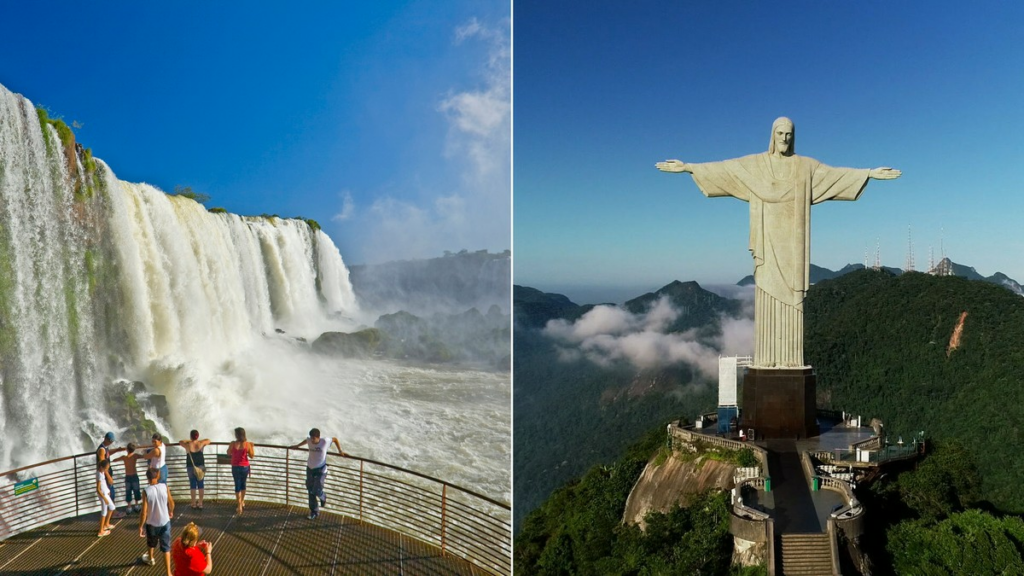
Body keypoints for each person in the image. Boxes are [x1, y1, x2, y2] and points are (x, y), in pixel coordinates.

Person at [656, 117, 901, 367]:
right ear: (773, 135)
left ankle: (791, 361)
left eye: (789, 134)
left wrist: (868, 174)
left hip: (793, 246)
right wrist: (688, 168)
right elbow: (725, 169)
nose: (785, 138)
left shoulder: (805, 167)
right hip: (766, 241)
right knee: (767, 294)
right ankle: (767, 359)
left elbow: (835, 176)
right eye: (780, 133)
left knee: (792, 299)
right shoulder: (756, 165)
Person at [292, 428, 345, 519]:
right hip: (310, 469)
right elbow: (306, 440)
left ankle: (323, 497)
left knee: (316, 490)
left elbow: (335, 439)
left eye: (314, 438)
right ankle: (314, 512)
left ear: (318, 437)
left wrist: (340, 451)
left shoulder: (325, 441)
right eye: (311, 438)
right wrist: (297, 446)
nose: (312, 440)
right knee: (310, 491)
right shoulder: (309, 440)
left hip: (321, 470)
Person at [139, 467, 174, 570]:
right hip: (165, 521)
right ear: (157, 475)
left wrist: (141, 526)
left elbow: (144, 512)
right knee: (166, 548)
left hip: (152, 523)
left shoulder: (146, 491)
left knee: (151, 543)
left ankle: (150, 558)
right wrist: (170, 511)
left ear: (147, 478)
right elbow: (171, 502)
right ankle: (168, 573)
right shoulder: (164, 486)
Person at [96, 432, 126, 519]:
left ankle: (111, 512)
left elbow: (107, 453)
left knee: (111, 492)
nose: (111, 442)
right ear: (106, 439)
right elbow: (103, 463)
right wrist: (108, 476)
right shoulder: (101, 450)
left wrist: (117, 450)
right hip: (105, 475)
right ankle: (112, 512)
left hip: (106, 473)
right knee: (110, 493)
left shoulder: (105, 448)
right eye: (110, 441)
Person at [179, 431, 211, 510]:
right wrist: (199, 440)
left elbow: (180, 442)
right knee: (201, 485)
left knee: (192, 485)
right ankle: (200, 503)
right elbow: (208, 440)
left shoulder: (188, 445)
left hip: (190, 466)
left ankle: (193, 503)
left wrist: (189, 440)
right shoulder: (201, 444)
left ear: (191, 436)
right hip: (200, 467)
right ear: (198, 436)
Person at [227, 427, 254, 516]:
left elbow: (228, 453)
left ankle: (239, 505)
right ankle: (242, 501)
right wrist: (252, 447)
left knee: (237, 485)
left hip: (235, 467)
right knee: (243, 484)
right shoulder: (247, 444)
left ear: (237, 435)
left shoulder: (233, 443)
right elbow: (252, 456)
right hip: (245, 467)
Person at [112, 443, 145, 513]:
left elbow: (114, 460)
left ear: (127, 449)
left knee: (128, 491)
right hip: (134, 476)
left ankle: (129, 507)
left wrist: (119, 450)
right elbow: (143, 456)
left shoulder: (124, 457)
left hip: (127, 477)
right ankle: (136, 505)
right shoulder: (135, 456)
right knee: (136, 490)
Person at [96, 459, 116, 537]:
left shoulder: (101, 472)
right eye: (106, 468)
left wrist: (107, 490)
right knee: (104, 512)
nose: (107, 470)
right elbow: (98, 489)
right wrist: (104, 498)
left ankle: (106, 524)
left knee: (112, 507)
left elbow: (103, 484)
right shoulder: (100, 475)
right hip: (103, 495)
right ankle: (101, 531)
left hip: (105, 493)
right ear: (102, 467)